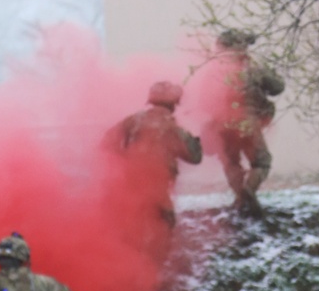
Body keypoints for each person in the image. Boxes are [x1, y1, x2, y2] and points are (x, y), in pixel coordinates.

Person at [105, 81, 203, 228]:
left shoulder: (133, 121)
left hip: (131, 185)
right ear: (174, 104)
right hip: (158, 189)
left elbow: (106, 143)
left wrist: (125, 158)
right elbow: (195, 157)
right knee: (164, 224)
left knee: (130, 223)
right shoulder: (173, 128)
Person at [216, 29, 285, 217]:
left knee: (231, 162)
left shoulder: (213, 70)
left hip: (222, 123)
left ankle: (240, 198)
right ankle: (248, 191)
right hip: (248, 121)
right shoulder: (253, 68)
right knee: (261, 161)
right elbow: (277, 87)